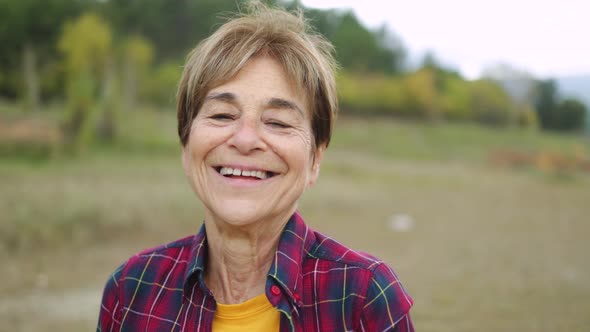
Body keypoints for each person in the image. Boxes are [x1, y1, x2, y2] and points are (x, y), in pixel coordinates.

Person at [97, 3, 413, 331]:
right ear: (186, 144)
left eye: (277, 122)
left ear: (315, 159)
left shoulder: (363, 296)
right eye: (222, 115)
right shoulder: (132, 291)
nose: (246, 140)